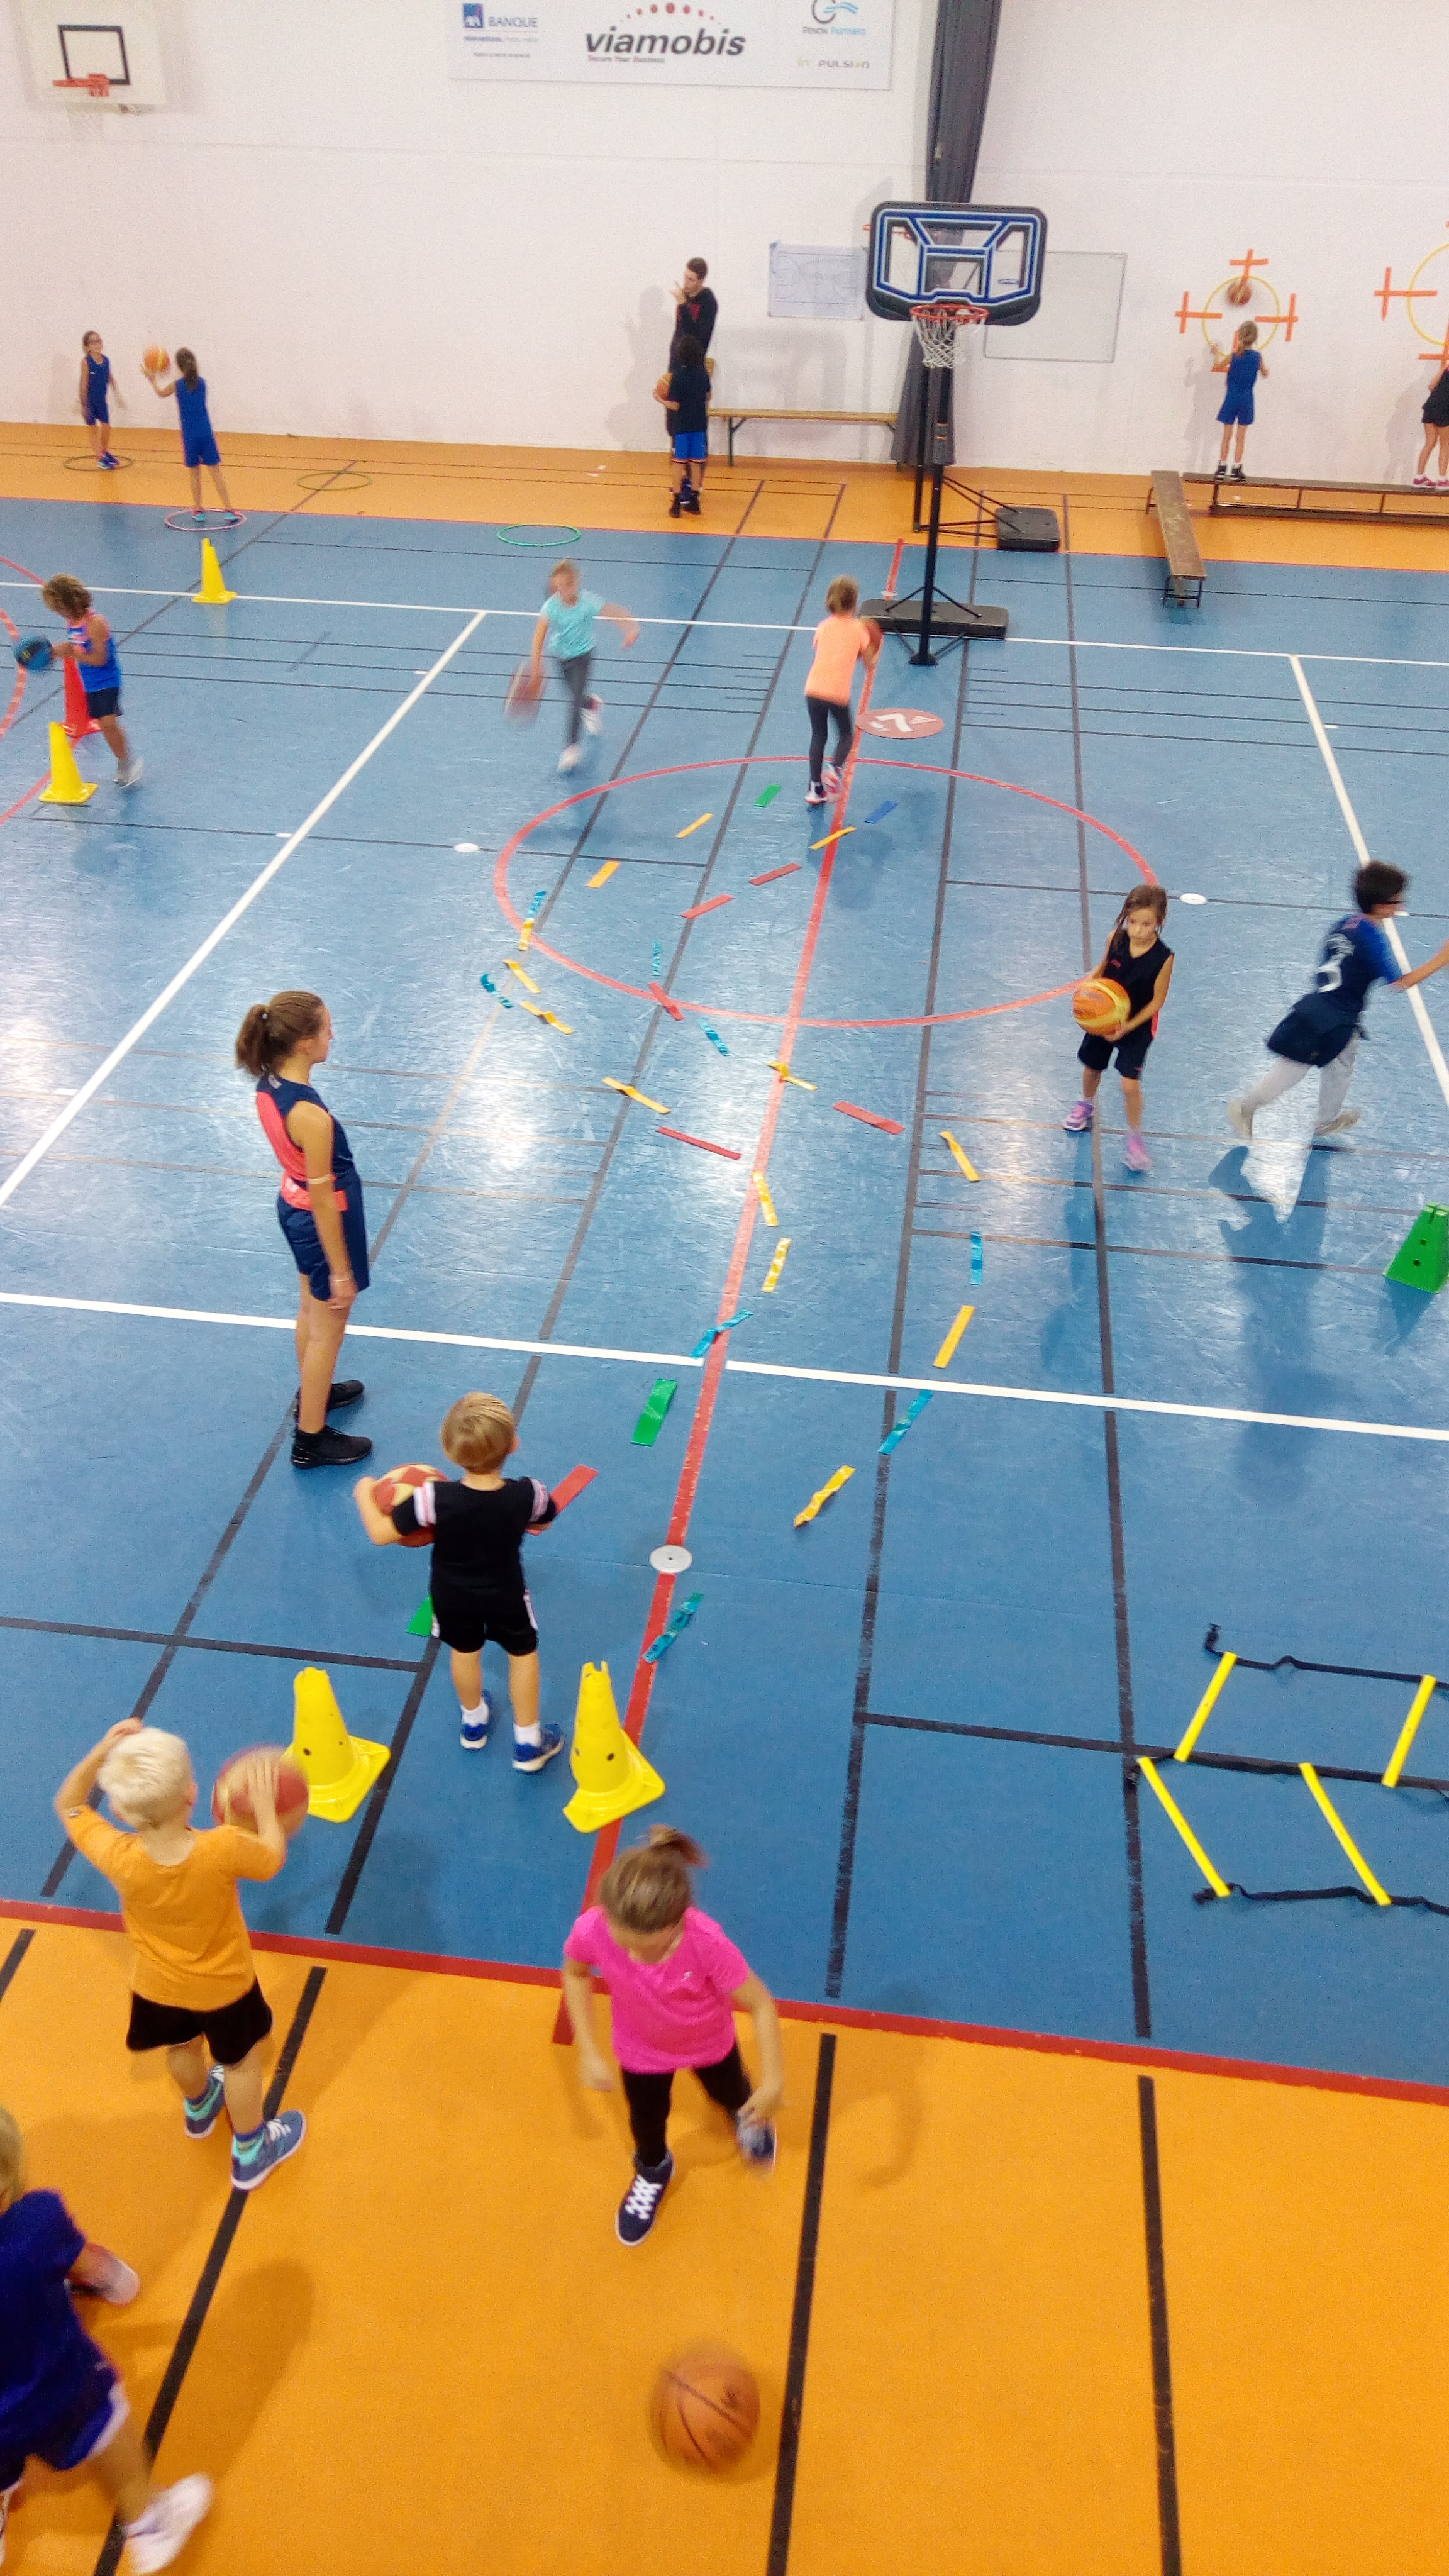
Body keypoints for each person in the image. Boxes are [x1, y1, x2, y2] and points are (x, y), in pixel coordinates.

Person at [53, 1721, 306, 2196]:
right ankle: (251, 2150)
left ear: (121, 1810)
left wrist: (102, 1751)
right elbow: (271, 1859)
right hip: (225, 1988)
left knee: (182, 2049)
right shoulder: (222, 1848)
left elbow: (69, 1803)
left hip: (157, 1987)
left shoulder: (117, 1854)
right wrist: (267, 1812)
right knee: (242, 2064)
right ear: (193, 1795)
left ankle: (200, 2105)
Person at [0, 2102, 213, 2572]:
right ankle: (151, 2527)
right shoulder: (38, 2223)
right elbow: (99, 2272)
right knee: (108, 2429)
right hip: (60, 2391)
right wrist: (115, 2280)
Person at [561, 1824, 784, 2248]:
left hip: (710, 2045)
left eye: (646, 1949)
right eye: (623, 1944)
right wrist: (588, 2050)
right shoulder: (594, 1928)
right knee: (646, 2121)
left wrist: (773, 2083)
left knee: (733, 2093)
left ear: (676, 1922)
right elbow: (575, 1973)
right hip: (640, 2052)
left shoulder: (707, 1943)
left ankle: (747, 2120)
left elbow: (761, 2004)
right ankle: (653, 2170)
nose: (632, 1957)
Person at [354, 1391, 564, 1771]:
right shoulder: (529, 1493)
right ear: (513, 1445)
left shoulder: (432, 1498)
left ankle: (474, 1721)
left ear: (448, 1452)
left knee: (464, 1652)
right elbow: (545, 1519)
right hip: (505, 1594)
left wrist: (363, 1492)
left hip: (451, 1595)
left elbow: (381, 1534)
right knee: (523, 1655)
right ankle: (528, 1743)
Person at [236, 990, 372, 1470]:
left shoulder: (267, 1084)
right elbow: (324, 1197)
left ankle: (315, 1392)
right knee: (327, 1332)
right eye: (326, 1028)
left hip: (292, 1207)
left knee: (309, 1314)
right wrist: (341, 1270)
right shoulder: (310, 1117)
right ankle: (310, 1440)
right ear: (304, 1043)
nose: (333, 1035)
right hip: (321, 1221)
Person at [1229, 862, 1449, 1144]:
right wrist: (1441, 959)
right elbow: (1401, 982)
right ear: (1381, 906)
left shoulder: (1345, 924)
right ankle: (1246, 1107)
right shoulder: (1373, 940)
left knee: (1341, 1062)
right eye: (1397, 901)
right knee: (1293, 1069)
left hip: (1319, 1007)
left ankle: (1326, 1119)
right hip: (1334, 1019)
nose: (1401, 905)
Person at [1063, 884, 1174, 1172]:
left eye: (1146, 924)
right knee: (1092, 1068)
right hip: (1104, 1017)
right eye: (1133, 922)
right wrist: (1086, 987)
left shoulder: (1164, 957)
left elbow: (1157, 1002)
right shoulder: (1115, 939)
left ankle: (1135, 1138)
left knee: (1129, 1085)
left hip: (1136, 1026)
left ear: (1159, 922)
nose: (1137, 930)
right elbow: (1103, 969)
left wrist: (1126, 1028)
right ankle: (1087, 1104)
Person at [528, 560, 639, 775]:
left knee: (574, 701)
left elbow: (613, 612)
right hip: (561, 657)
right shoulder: (551, 607)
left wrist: (631, 628)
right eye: (557, 587)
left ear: (575, 585)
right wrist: (537, 670)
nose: (560, 592)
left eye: (565, 587)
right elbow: (537, 641)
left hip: (583, 656)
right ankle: (592, 705)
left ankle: (571, 749)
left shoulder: (588, 601)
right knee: (576, 697)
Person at [40, 575, 142, 788]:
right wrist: (54, 653)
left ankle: (126, 762)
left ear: (70, 602)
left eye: (60, 608)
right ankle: (124, 756)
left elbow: (99, 659)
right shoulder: (72, 623)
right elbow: (75, 647)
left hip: (107, 680)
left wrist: (73, 652)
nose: (59, 613)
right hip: (90, 683)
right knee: (108, 726)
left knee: (108, 723)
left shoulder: (96, 623)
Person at [803, 575, 877, 808]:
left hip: (813, 688)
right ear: (855, 603)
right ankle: (835, 769)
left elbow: (828, 650)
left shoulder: (823, 627)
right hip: (837, 692)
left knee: (819, 735)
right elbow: (870, 664)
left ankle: (815, 788)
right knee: (846, 735)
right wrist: (876, 645)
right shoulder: (859, 630)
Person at [143, 348, 233, 520]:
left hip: (190, 436)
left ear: (179, 367)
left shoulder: (177, 386)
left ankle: (198, 510)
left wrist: (152, 379)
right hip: (205, 433)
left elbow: (161, 393)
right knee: (216, 472)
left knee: (195, 473)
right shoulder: (203, 383)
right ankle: (229, 509)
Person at [655, 334, 711, 518]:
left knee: (678, 464)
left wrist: (660, 399)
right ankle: (695, 501)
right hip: (699, 426)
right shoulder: (703, 374)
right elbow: (709, 396)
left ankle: (676, 503)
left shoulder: (678, 376)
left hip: (682, 427)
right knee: (696, 464)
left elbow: (675, 405)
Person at [1211, 321, 1267, 480]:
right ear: (1255, 338)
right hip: (1247, 400)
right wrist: (1265, 371)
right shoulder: (1258, 357)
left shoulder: (1234, 356)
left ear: (1240, 337)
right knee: (1240, 437)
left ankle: (1222, 467)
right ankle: (1236, 468)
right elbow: (1264, 373)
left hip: (1231, 398)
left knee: (1227, 435)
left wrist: (1216, 353)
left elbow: (1217, 366)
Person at [78, 331, 125, 469]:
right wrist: (83, 405)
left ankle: (104, 451)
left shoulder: (106, 361)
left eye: (99, 341)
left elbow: (110, 377)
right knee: (94, 429)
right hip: (90, 402)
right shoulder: (86, 363)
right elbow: (83, 384)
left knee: (106, 427)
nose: (97, 344)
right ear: (87, 347)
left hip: (101, 402)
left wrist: (117, 394)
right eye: (93, 342)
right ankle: (100, 458)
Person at [669, 258, 718, 367]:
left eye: (691, 279)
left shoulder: (708, 303)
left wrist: (683, 305)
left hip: (693, 367)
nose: (686, 283)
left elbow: (694, 335)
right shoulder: (685, 296)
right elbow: (680, 330)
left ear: (701, 281)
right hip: (676, 363)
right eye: (686, 277)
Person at [1413, 354, 1449, 491]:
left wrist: (1445, 367)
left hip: (1430, 406)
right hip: (1444, 408)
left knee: (1430, 442)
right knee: (1445, 444)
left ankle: (1419, 477)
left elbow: (1431, 385)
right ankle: (1442, 480)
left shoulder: (1446, 368)